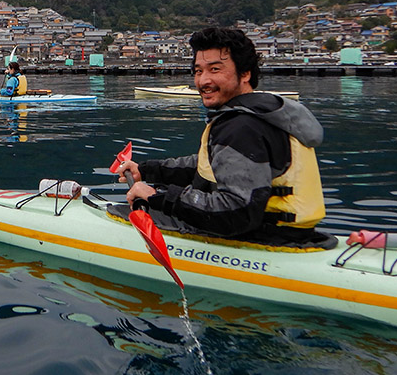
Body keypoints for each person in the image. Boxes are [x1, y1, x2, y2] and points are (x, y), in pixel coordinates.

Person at [113, 27, 334, 248]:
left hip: (266, 240)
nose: (203, 81)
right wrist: (147, 170)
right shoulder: (264, 114)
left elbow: (236, 213)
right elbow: (208, 166)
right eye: (198, 71)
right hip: (294, 234)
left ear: (245, 73)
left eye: (215, 69)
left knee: (122, 215)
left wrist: (156, 196)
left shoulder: (243, 126)